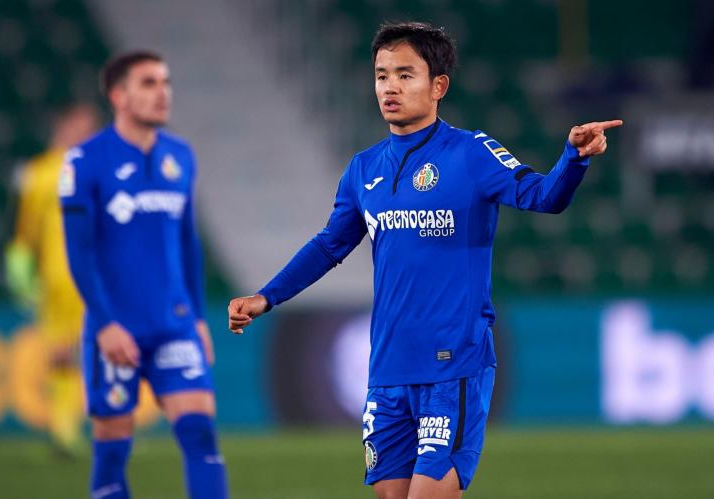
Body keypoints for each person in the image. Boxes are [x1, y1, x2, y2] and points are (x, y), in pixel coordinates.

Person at [228, 21, 622, 499]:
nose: (390, 87)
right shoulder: (363, 169)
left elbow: (543, 196)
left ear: (439, 86)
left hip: (452, 364)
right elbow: (329, 246)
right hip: (389, 369)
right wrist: (266, 297)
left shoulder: (471, 153)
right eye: (381, 75)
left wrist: (573, 159)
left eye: (405, 75)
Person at [60, 51, 228, 499]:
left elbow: (187, 242)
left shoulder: (180, 156)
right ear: (119, 96)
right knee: (112, 451)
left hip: (174, 324)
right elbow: (79, 253)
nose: (162, 93)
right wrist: (105, 324)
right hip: (117, 328)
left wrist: (197, 318)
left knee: (201, 435)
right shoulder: (84, 161)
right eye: (149, 83)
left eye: (165, 82)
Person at [6, 102, 98, 455]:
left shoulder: (98, 170)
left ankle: (87, 421)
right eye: (81, 125)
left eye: (90, 126)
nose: (86, 132)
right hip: (58, 278)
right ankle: (64, 425)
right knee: (63, 350)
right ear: (63, 125)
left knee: (94, 348)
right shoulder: (40, 173)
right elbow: (26, 229)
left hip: (95, 274)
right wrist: (21, 268)